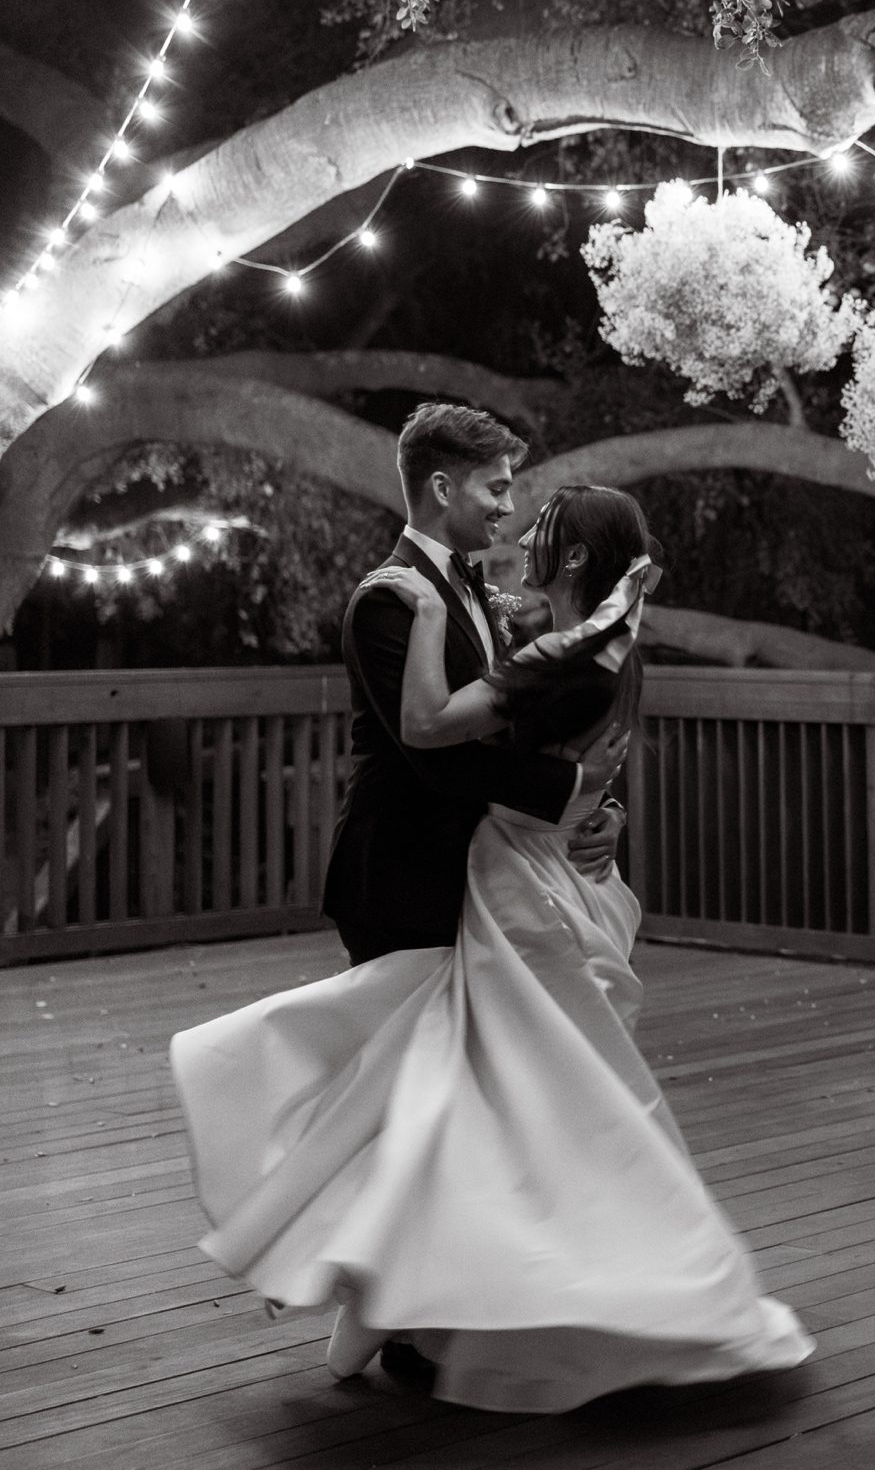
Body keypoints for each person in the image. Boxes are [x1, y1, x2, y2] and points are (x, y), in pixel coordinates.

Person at [169, 485, 814, 1415]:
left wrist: (431, 616)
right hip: (532, 867)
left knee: (483, 1092)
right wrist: (594, 806)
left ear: (575, 558)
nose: (518, 525)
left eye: (540, 525)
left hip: (519, 883)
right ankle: (405, 1295)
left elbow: (430, 727)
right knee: (485, 1096)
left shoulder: (565, 654)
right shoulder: (586, 643)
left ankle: (403, 1292)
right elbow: (575, 760)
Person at [321, 402, 628, 968]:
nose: (507, 508)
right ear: (443, 489)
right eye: (496, 488)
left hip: (469, 873)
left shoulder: (467, 588)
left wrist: (599, 806)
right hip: (401, 875)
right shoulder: (387, 600)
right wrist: (573, 786)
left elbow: (513, 723)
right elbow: (438, 760)